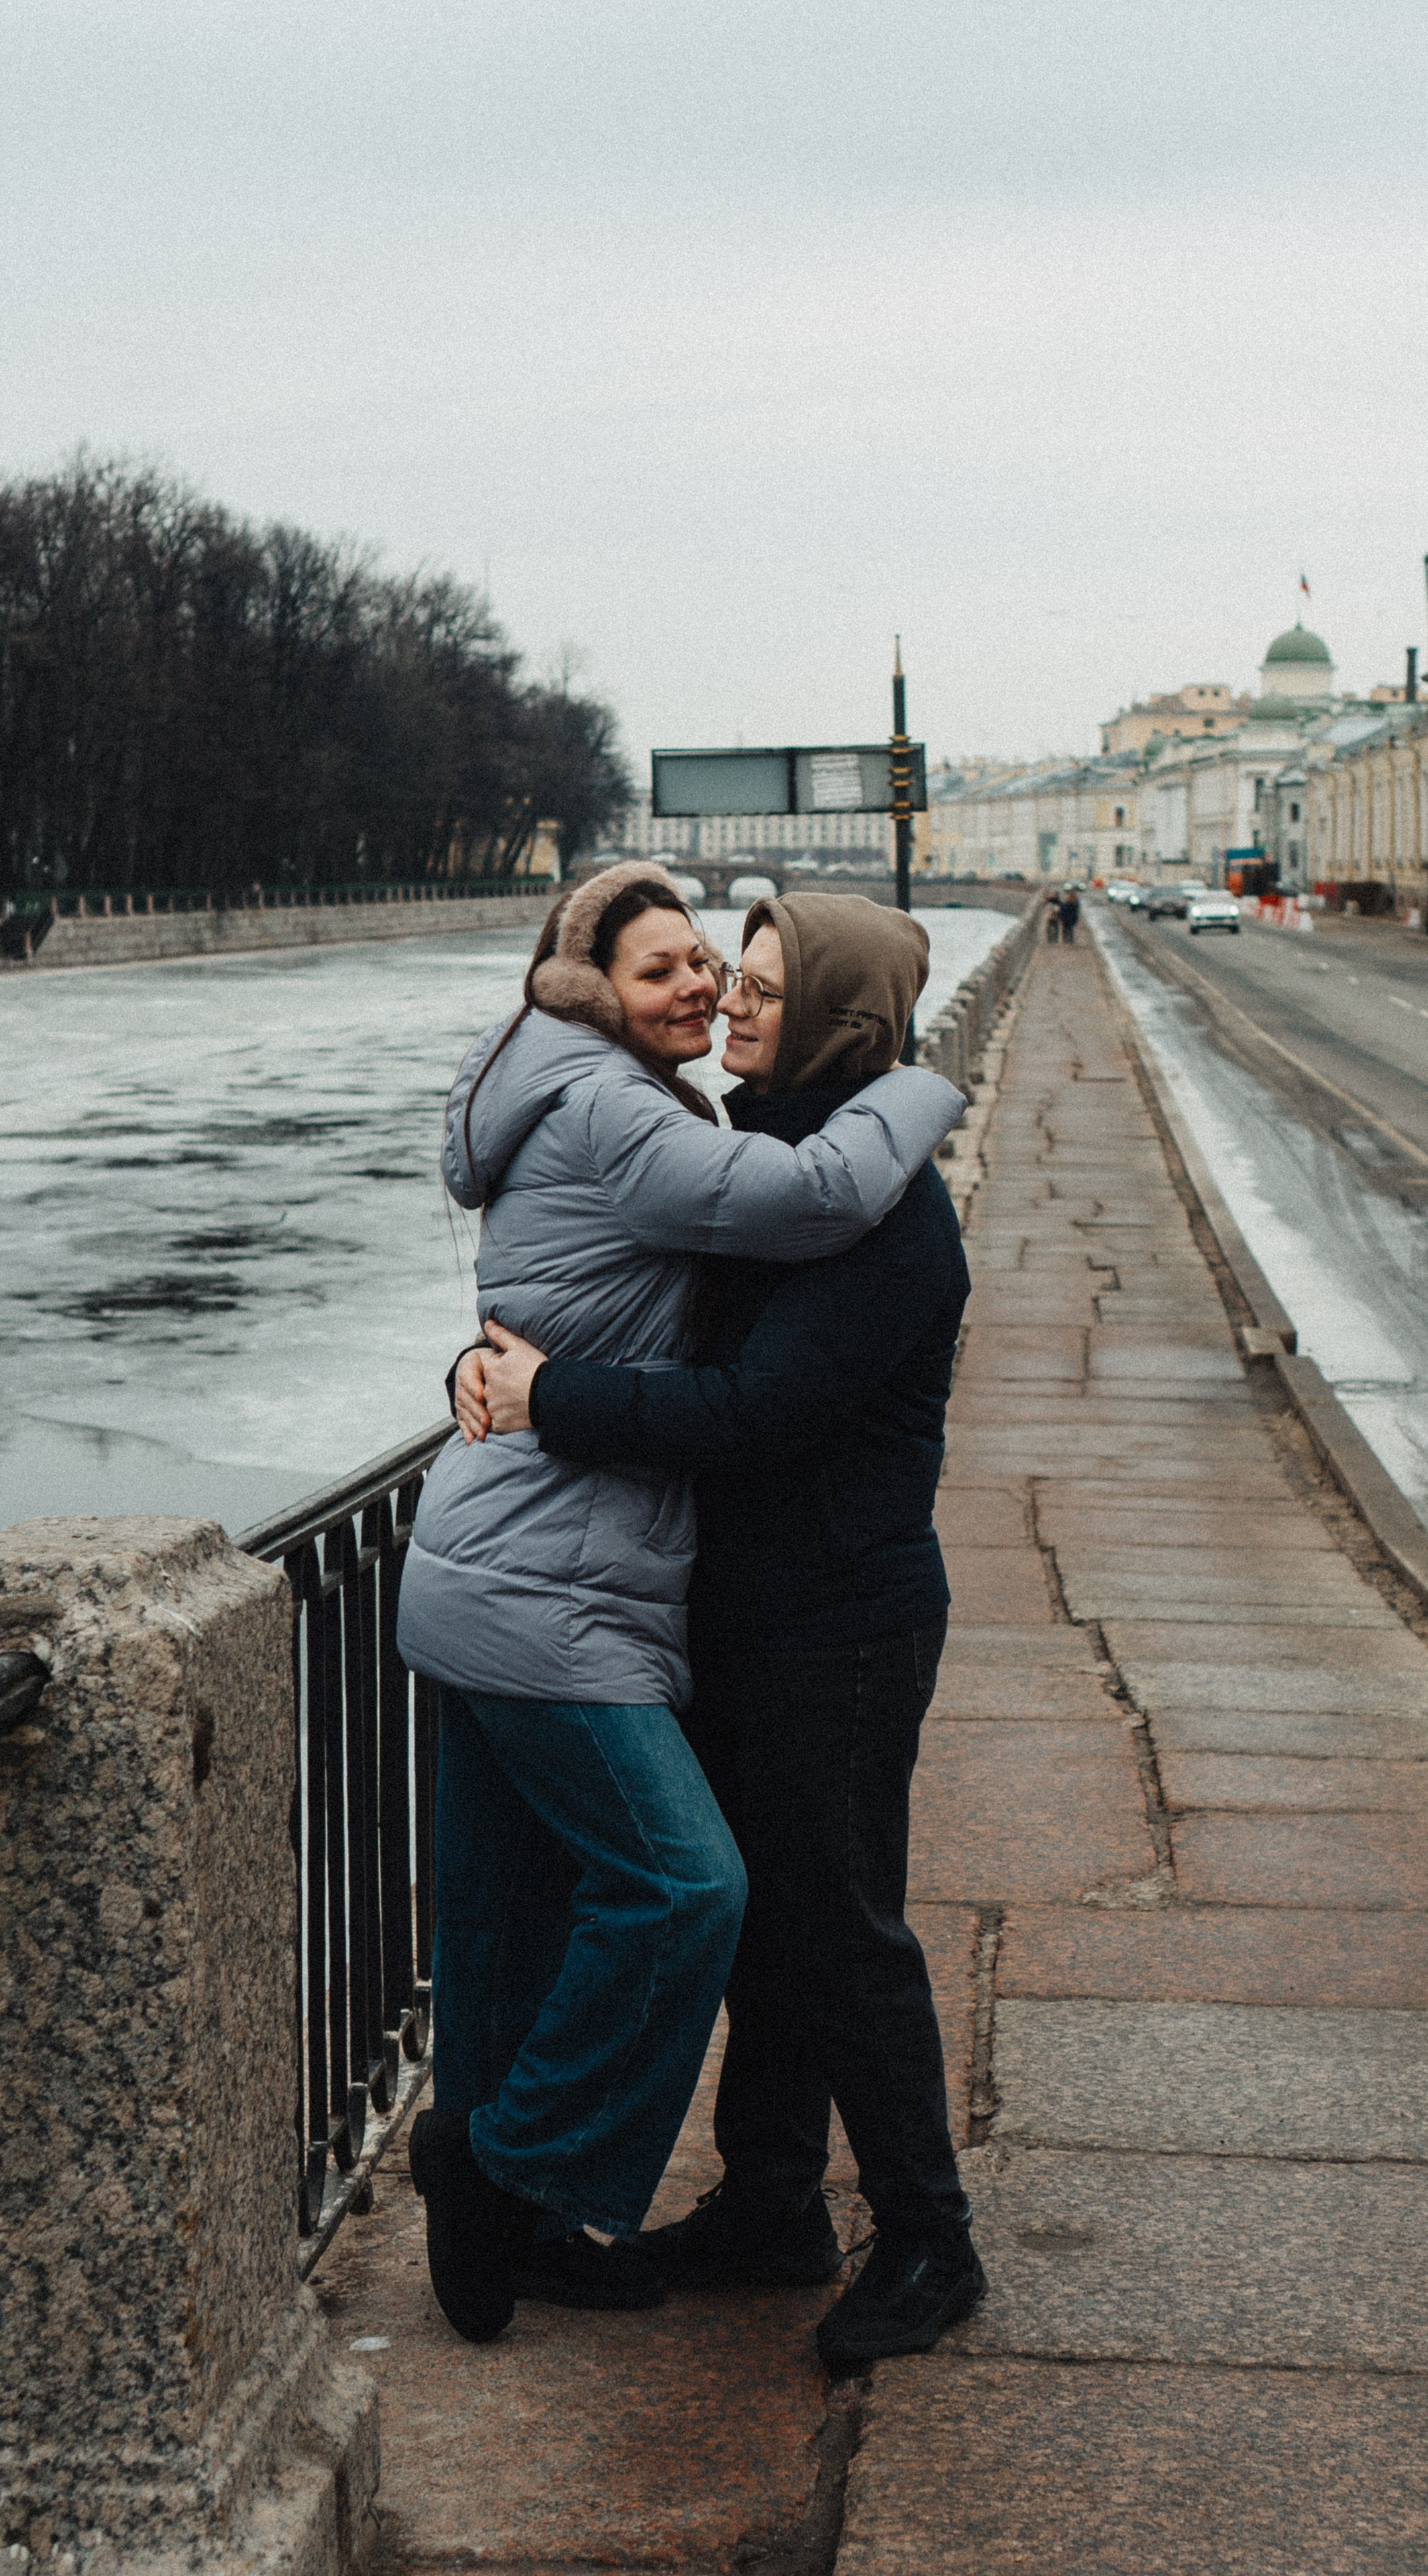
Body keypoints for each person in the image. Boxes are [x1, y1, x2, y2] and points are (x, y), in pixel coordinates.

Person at [396, 862, 965, 2345]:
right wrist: (491, 1364)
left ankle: (929, 2237)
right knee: (760, 1930)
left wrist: (544, 1394)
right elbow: (593, 1295)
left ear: (835, 1018)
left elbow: (755, 1410)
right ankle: (772, 2203)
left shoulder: (882, 1205)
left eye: (756, 983)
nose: (725, 998)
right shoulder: (738, 1143)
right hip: (710, 1603)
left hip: (838, 1618)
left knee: (833, 1934)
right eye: (710, 972)